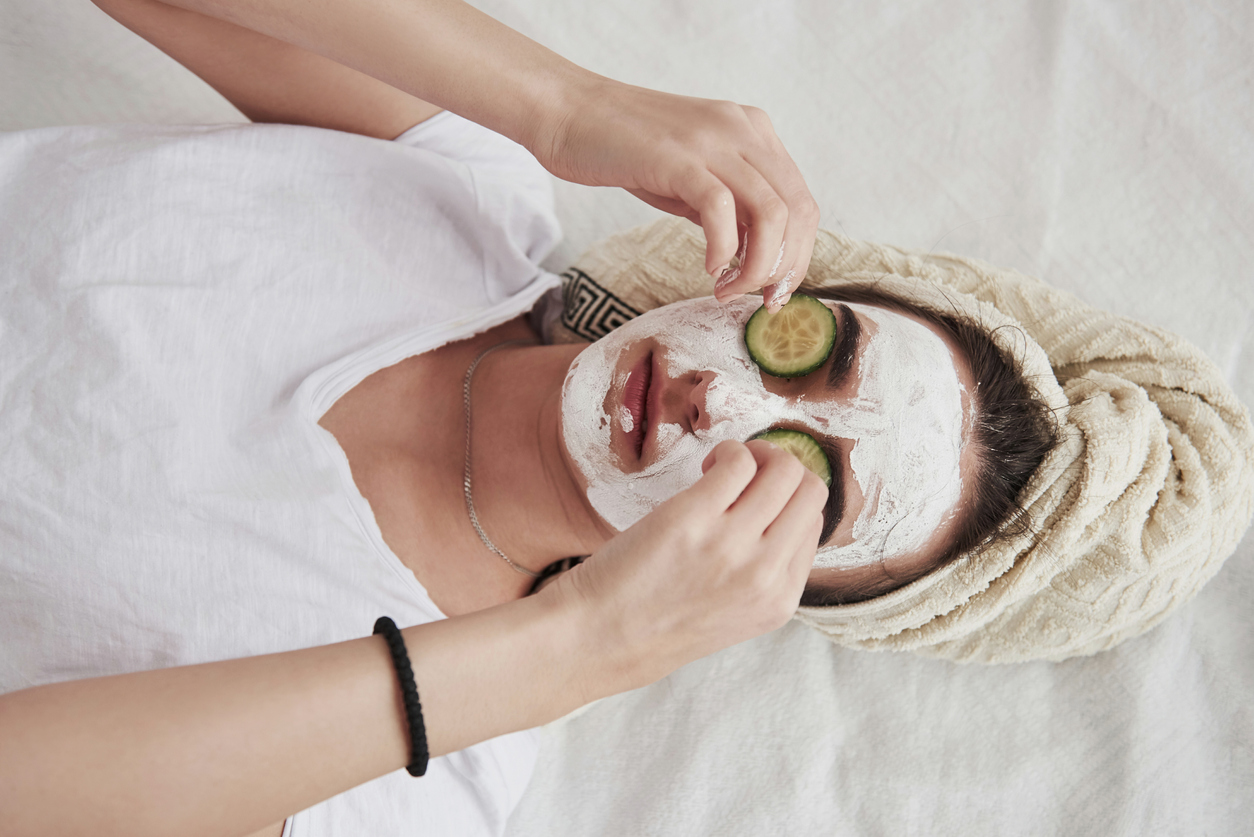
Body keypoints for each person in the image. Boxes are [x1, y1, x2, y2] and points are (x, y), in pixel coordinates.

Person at [4, 1, 1253, 836]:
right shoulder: (464, 193)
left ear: (772, 587)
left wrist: (587, 646)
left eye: (798, 476)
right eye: (809, 352)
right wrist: (558, 106)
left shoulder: (436, 763)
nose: (726, 401)